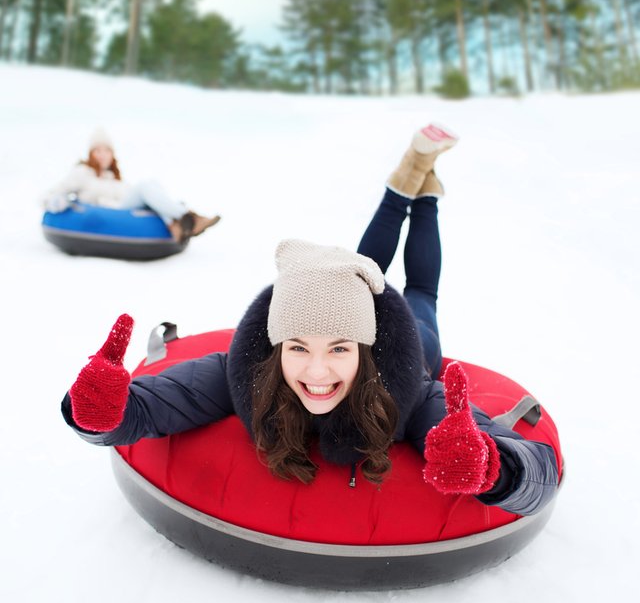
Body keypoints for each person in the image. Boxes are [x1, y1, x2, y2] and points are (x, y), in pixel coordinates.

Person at [61, 123, 559, 516]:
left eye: (340, 349)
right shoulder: (240, 372)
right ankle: (416, 173)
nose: (317, 373)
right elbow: (147, 409)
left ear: (362, 352)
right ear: (276, 346)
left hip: (416, 340)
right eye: (298, 347)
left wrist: (495, 470)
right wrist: (94, 413)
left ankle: (423, 195)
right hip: (350, 311)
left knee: (420, 289)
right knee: (366, 269)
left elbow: (538, 474)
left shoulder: (411, 394)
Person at [43, 128, 220, 242]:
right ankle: (189, 218)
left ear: (112, 154)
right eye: (97, 151)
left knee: (151, 184)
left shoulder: (115, 178)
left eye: (106, 150)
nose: (102, 155)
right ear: (90, 154)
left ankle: (177, 224)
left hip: (124, 211)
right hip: (107, 213)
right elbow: (50, 194)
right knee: (144, 186)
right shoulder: (82, 173)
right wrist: (56, 201)